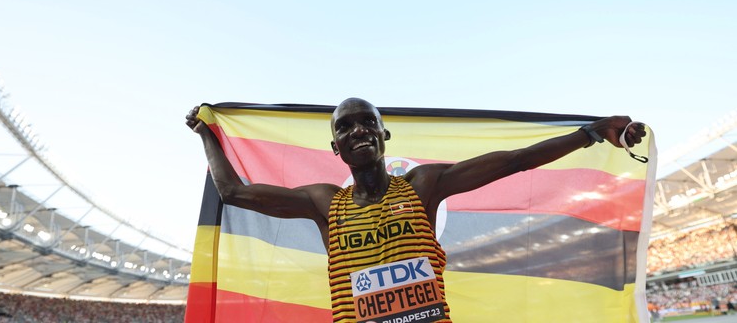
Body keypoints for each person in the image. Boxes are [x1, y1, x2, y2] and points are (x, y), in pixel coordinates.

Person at [186, 98, 646, 323]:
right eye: (346, 127)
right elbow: (234, 193)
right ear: (336, 147)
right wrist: (208, 134)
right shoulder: (324, 202)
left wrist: (588, 132)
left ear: (384, 137)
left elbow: (514, 162)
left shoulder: (424, 185)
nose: (359, 130)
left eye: (369, 122)